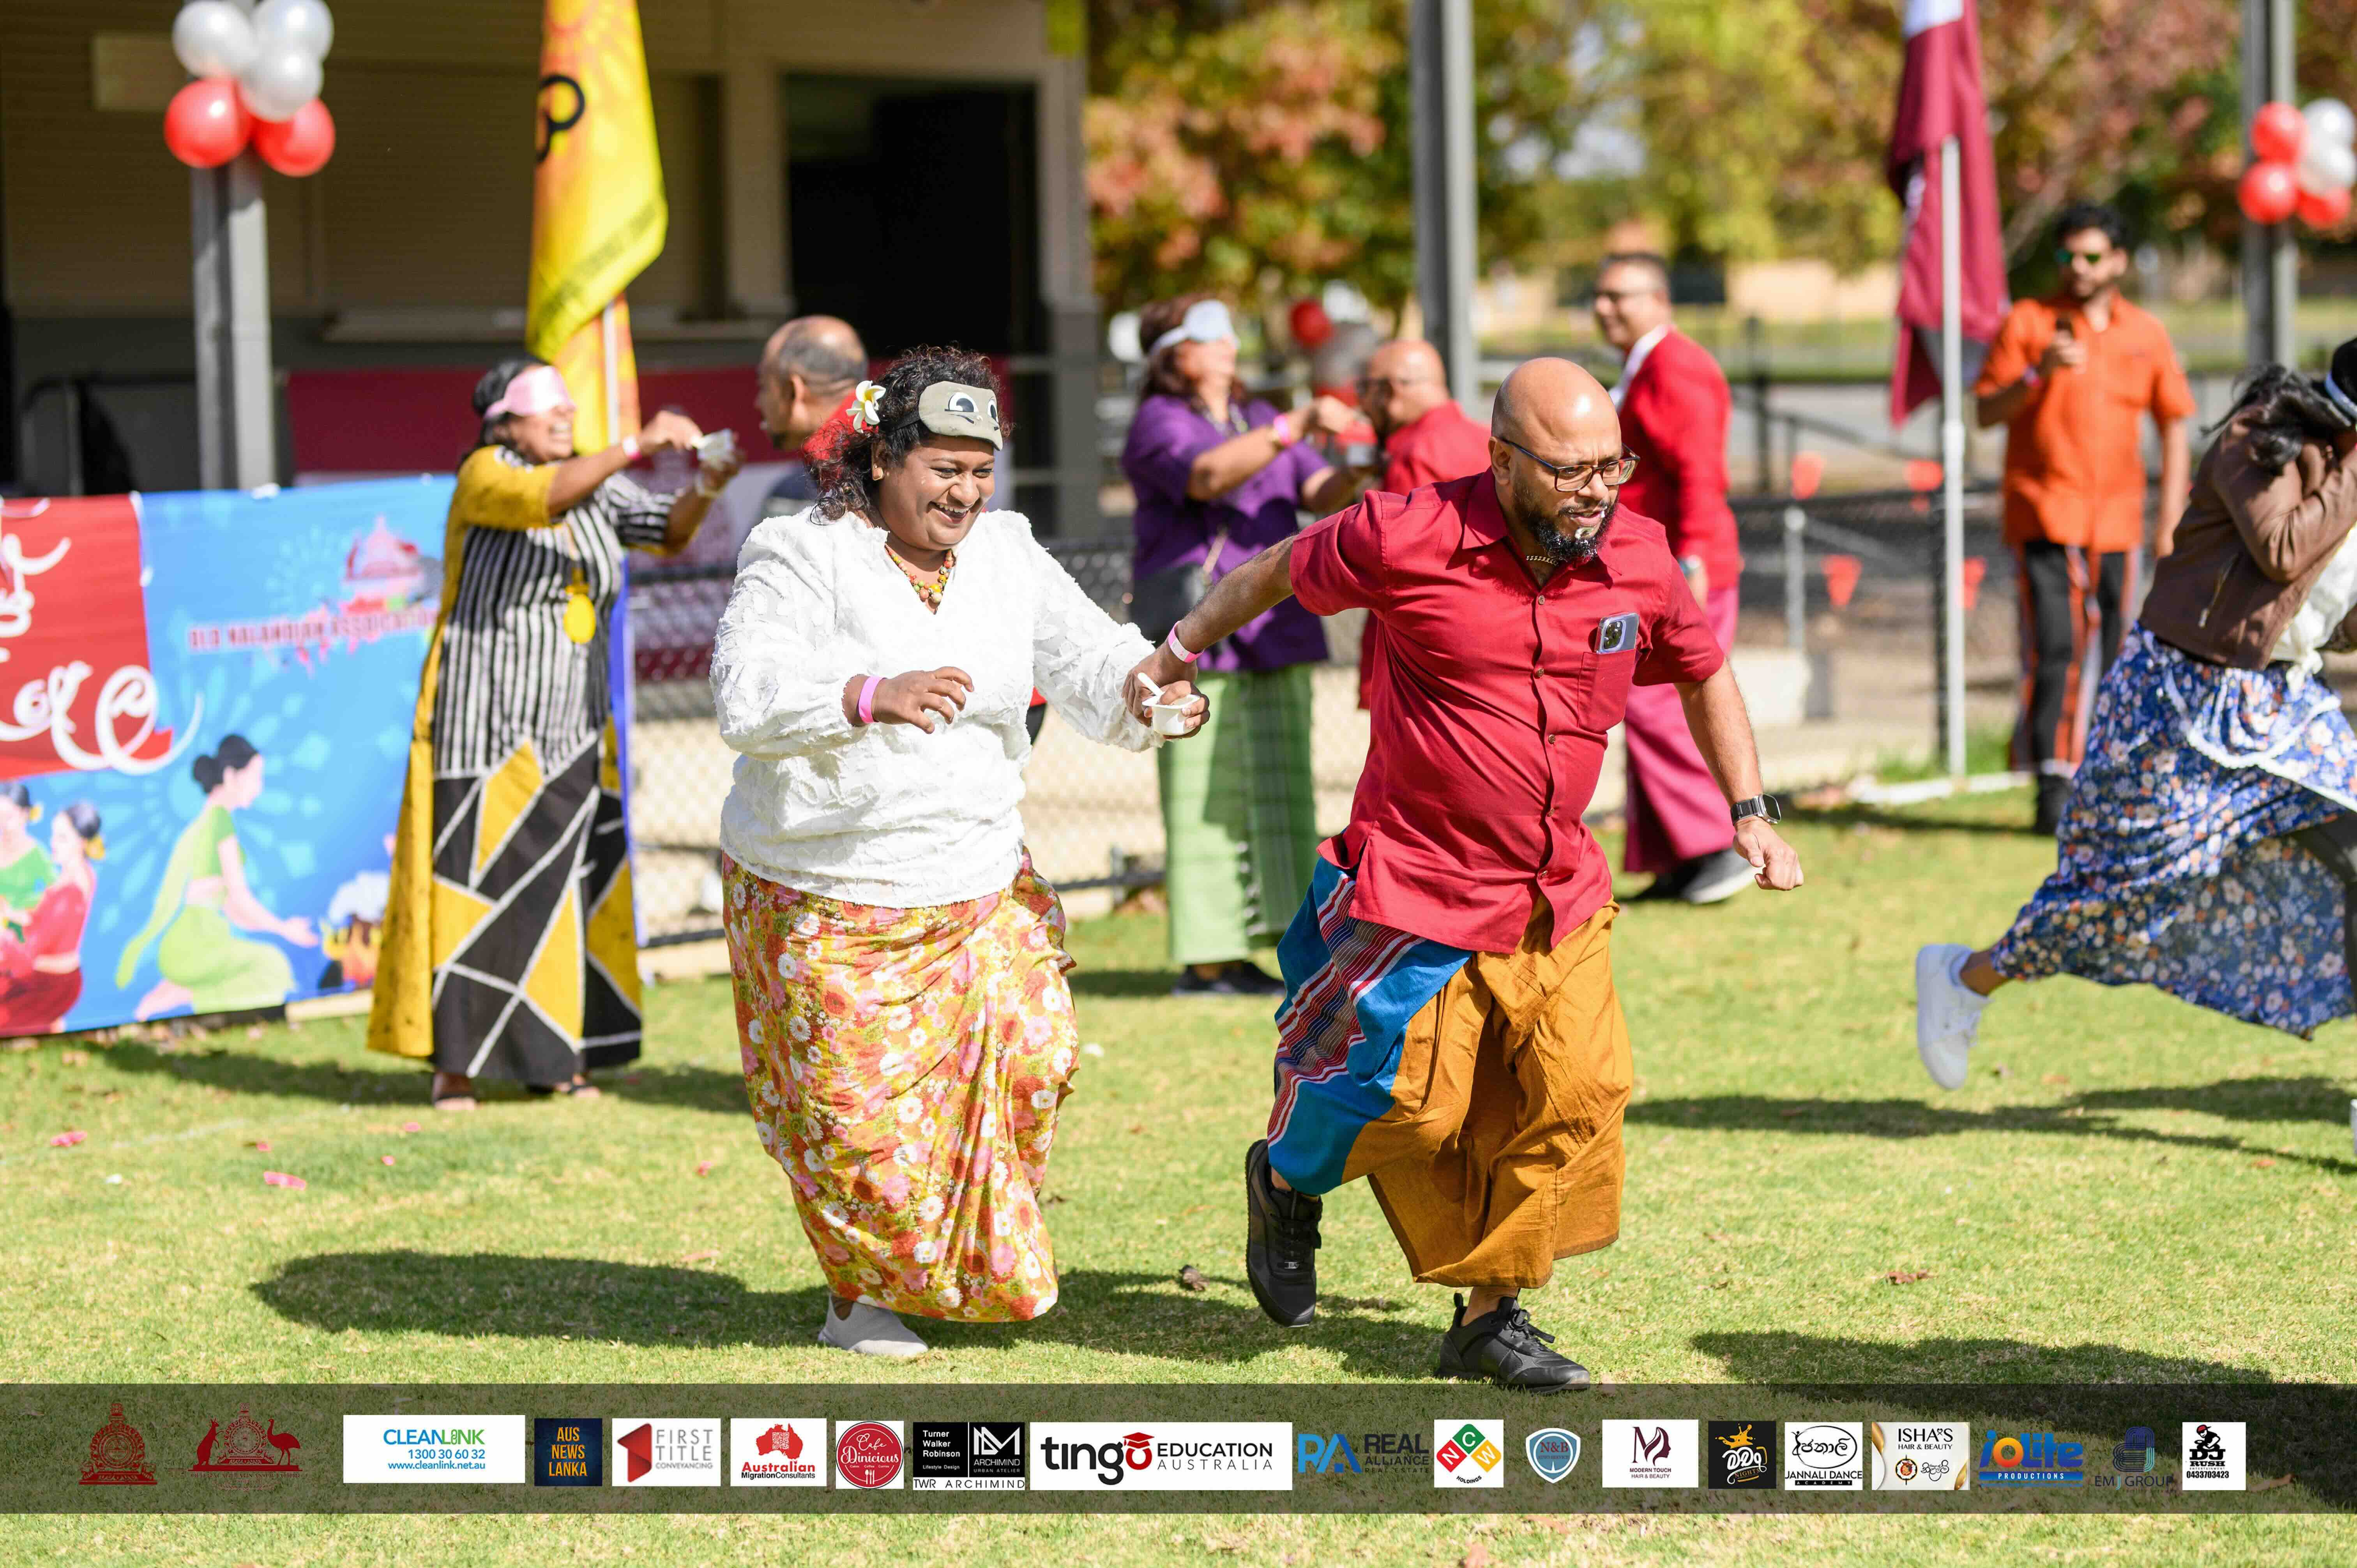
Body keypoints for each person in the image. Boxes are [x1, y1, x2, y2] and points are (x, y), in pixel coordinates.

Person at [1124, 358, 1805, 1390]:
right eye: (1571, 469)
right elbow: (1269, 572)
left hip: (1557, 892)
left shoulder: (1638, 553)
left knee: (1582, 1095)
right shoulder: (1405, 534)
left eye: (1610, 466)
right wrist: (1171, 656)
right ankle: (1285, 1181)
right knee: (1409, 1110)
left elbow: (1705, 670)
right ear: (1502, 458)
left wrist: (1748, 813)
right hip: (1418, 886)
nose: (1597, 490)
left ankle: (1490, 1317)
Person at [711, 348, 1207, 1358]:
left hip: (978, 876)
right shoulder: (798, 553)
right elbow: (746, 694)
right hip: (827, 885)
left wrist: (1150, 694)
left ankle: (964, 1263)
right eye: (943, 467)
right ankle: (864, 1299)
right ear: (880, 458)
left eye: (981, 469)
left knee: (1031, 1065)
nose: (966, 491)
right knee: (859, 1124)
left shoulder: (1009, 553)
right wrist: (863, 694)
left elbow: (1089, 658)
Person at [1917, 344, 2357, 1082]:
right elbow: (2282, 549)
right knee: (2124, 888)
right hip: (2179, 697)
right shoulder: (2262, 438)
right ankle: (1964, 977)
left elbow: (2323, 607)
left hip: (2281, 702)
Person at [367, 358, 742, 1111]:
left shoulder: (593, 480)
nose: (566, 418)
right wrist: (636, 444)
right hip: (485, 729)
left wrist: (705, 483)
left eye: (571, 408)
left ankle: (556, 1056)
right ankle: (457, 1067)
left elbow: (664, 532)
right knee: (475, 891)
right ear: (506, 419)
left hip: (571, 722)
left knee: (563, 890)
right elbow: (540, 498)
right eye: (550, 410)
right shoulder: (486, 473)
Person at [1123, 294, 1359, 996]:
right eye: (1207, 334)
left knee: (1282, 788)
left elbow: (1320, 490)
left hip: (1277, 625)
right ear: (1173, 353)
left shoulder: (1259, 418)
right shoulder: (1156, 423)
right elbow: (1206, 476)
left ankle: (1283, 946)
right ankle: (1206, 961)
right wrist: (1296, 424)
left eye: (1231, 330)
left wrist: (1364, 461)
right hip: (1199, 631)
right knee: (1204, 795)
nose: (1228, 343)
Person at [1977, 201, 2195, 833]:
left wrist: (2170, 516)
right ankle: (2051, 784)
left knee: (2116, 652)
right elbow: (1985, 410)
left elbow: (2173, 423)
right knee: (2054, 648)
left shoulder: (2143, 333)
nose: (2078, 267)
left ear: (2118, 262)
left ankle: (2103, 779)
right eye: (2067, 256)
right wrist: (2035, 375)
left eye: (2092, 255)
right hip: (2044, 513)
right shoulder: (2030, 321)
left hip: (2117, 522)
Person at [1592, 252, 1753, 905]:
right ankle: (1678, 858)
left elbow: (1698, 470)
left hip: (1686, 562)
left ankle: (1719, 844)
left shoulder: (1676, 365)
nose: (1604, 308)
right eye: (1598, 297)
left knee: (1664, 699)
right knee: (1642, 698)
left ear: (1658, 298)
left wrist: (1692, 557)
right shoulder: (1644, 366)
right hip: (1649, 563)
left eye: (1618, 296)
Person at [118, 738, 314, 1020]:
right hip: (197, 942)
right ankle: (183, 996)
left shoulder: (208, 822)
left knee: (269, 963)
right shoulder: (219, 821)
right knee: (273, 968)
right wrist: (285, 930)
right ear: (231, 776)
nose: (259, 788)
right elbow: (239, 896)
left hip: (197, 940)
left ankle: (173, 996)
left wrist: (277, 928)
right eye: (255, 777)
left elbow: (233, 909)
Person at [1350, 339, 1495, 710]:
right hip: (1493, 647)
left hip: (1426, 667)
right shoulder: (1488, 441)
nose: (1362, 403)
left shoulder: (1415, 456)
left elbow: (1396, 569)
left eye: (1366, 389)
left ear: (1391, 391)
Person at [0, 802, 99, 1034]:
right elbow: (47, 927)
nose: (54, 843)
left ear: (82, 843)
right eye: (55, 835)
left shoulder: (70, 894)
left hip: (49, 985)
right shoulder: (78, 876)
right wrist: (12, 914)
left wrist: (5, 935)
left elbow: (26, 958)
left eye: (63, 838)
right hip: (51, 978)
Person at [756, 314, 869, 509]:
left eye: (764, 387)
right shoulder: (896, 439)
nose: (758, 403)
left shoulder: (799, 491)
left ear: (793, 391)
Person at [0, 782, 54, 913]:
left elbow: (57, 897)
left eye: (9, 817)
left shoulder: (37, 855)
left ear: (25, 814)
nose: (3, 824)